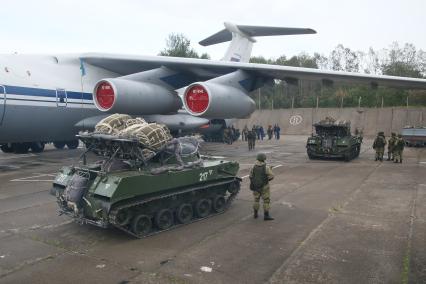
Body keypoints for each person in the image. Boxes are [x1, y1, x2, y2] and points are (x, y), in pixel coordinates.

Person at [249, 153, 274, 221]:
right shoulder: (266, 167)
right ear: (264, 159)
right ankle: (266, 215)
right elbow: (271, 176)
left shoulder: (253, 167)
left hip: (256, 186)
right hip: (264, 186)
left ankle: (255, 214)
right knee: (266, 200)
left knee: (256, 200)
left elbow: (250, 176)